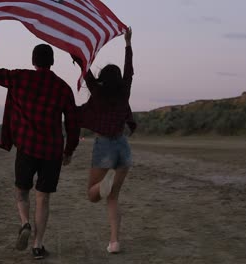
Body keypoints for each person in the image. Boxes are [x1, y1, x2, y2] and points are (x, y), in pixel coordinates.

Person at [0, 26, 80, 259]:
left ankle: (25, 222)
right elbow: (73, 124)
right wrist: (69, 151)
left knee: (22, 192)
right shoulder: (63, 88)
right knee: (43, 197)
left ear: (33, 61)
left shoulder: (20, 77)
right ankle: (37, 244)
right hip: (52, 151)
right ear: (52, 62)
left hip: (26, 147)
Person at [72, 27, 135, 254]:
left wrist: (76, 50)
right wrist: (127, 44)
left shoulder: (97, 93)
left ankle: (102, 184)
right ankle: (115, 241)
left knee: (92, 194)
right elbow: (129, 71)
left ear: (102, 80)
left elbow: (85, 69)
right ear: (118, 80)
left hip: (105, 146)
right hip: (123, 148)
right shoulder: (125, 90)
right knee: (113, 198)